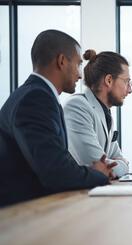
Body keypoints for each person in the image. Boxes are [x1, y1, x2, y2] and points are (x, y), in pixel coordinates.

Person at [0, 30, 115, 207]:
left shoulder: (36, 95)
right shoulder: (36, 99)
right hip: (21, 215)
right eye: (78, 65)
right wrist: (97, 174)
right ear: (61, 61)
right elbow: (55, 171)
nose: (80, 75)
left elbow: (55, 160)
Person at [64, 50, 131, 178]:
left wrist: (119, 163)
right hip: (75, 195)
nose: (130, 90)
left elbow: (116, 157)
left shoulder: (105, 112)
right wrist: (123, 165)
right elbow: (101, 167)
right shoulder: (77, 107)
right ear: (109, 80)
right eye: (126, 82)